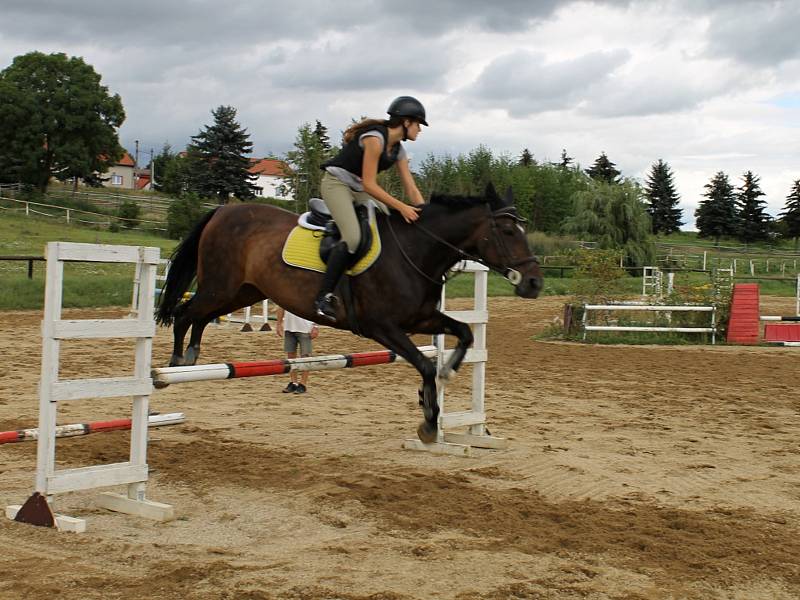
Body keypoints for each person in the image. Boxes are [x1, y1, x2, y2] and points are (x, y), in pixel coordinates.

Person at [314, 95, 428, 320]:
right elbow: (369, 184)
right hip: (336, 183)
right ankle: (323, 296)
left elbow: (412, 189)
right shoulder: (375, 139)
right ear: (406, 122)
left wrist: (426, 215)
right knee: (354, 237)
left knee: (390, 222)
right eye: (418, 124)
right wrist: (402, 207)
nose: (420, 130)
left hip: (358, 188)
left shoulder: (399, 151)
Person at [275, 305, 319, 394]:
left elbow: (315, 306)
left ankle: (303, 384)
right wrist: (279, 323)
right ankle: (294, 382)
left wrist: (316, 326)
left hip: (305, 328)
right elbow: (281, 306)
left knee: (306, 356)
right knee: (291, 356)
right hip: (289, 327)